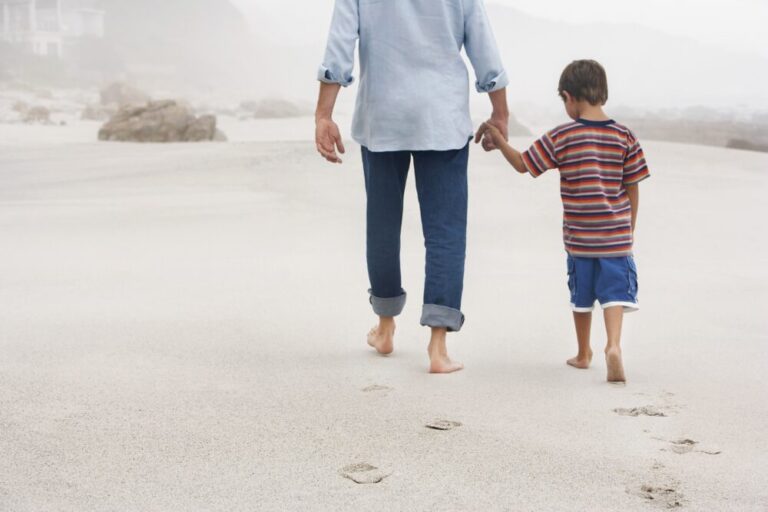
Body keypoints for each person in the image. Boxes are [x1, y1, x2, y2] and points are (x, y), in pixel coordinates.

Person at [315, 0, 509, 373]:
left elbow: (339, 47)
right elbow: (483, 45)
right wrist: (499, 111)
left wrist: (324, 114)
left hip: (382, 117)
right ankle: (438, 346)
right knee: (446, 232)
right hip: (442, 118)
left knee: (383, 225)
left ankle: (386, 327)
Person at [475, 60, 650, 383]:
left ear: (569, 97)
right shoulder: (625, 136)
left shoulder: (563, 136)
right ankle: (613, 345)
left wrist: (498, 139)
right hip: (616, 239)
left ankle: (583, 353)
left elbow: (523, 164)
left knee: (581, 297)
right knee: (614, 294)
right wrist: (630, 228)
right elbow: (633, 186)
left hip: (580, 239)